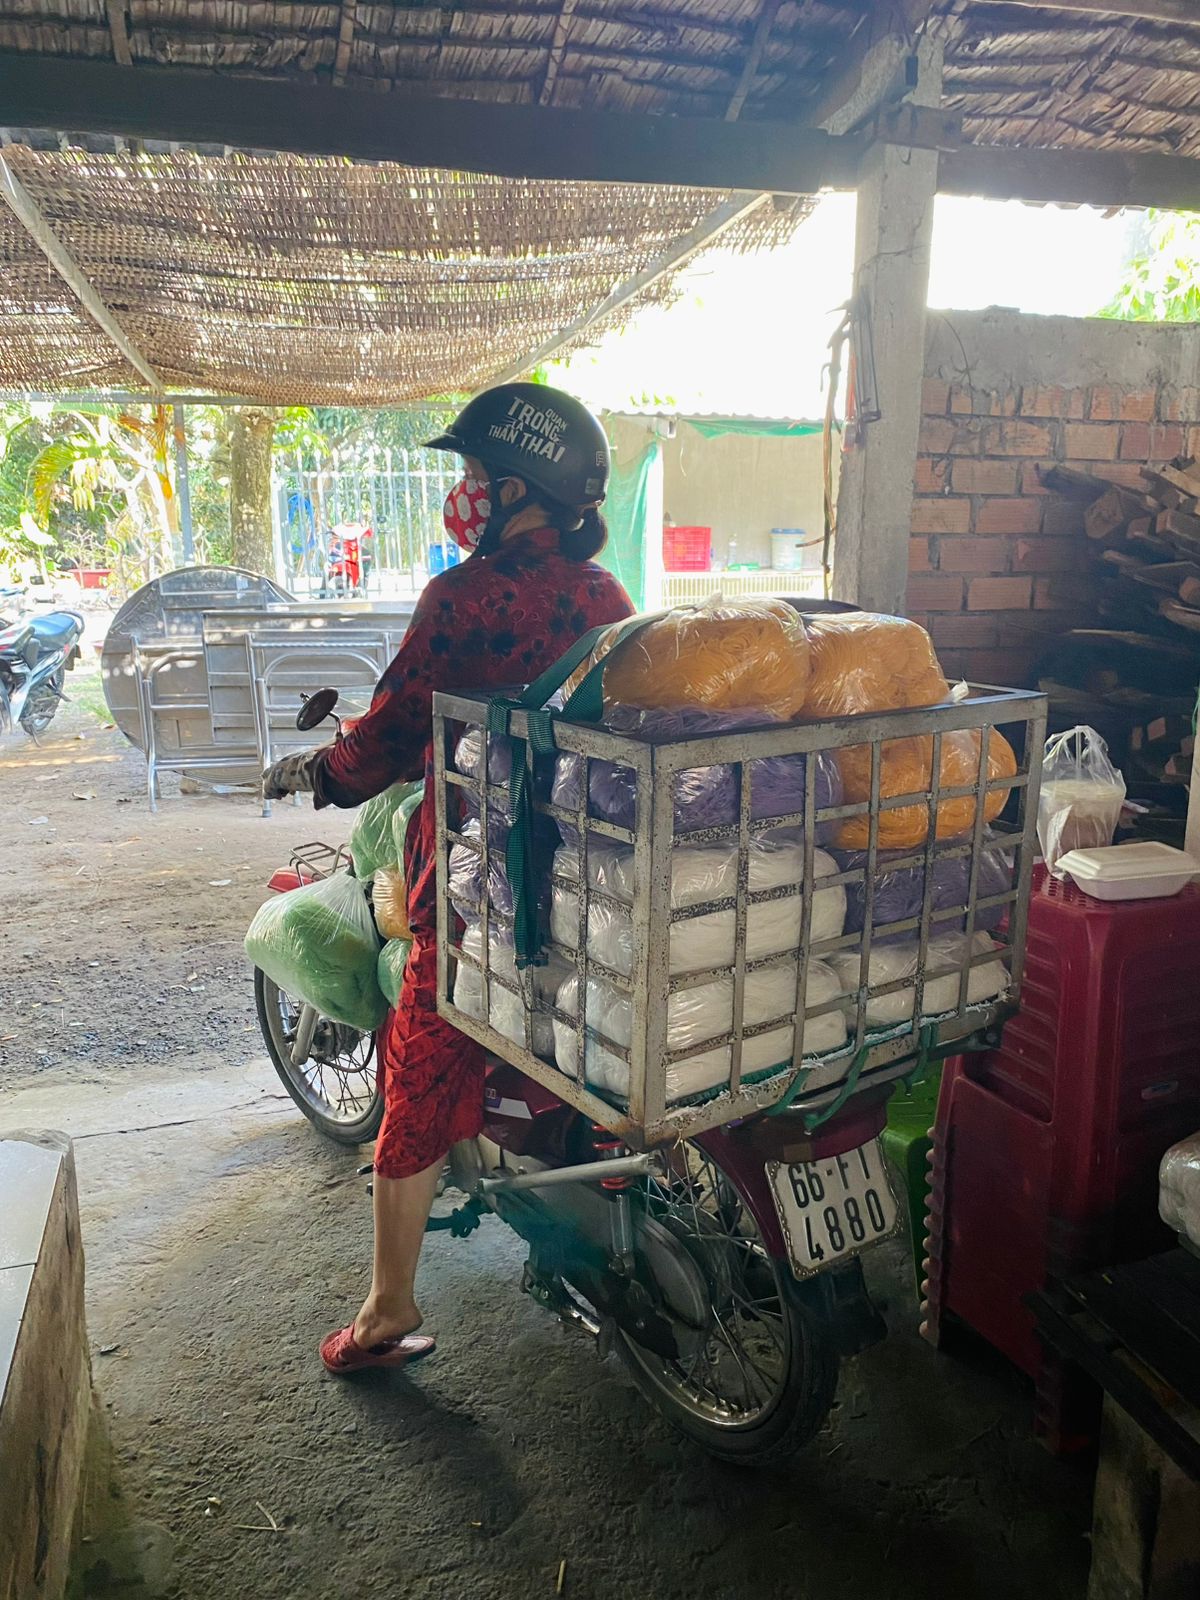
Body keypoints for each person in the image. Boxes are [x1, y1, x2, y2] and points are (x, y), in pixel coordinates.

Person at [262, 383, 634, 1374]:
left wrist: (326, 774)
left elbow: (389, 732)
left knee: (416, 1066)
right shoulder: (605, 599)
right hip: (594, 875)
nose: (462, 494)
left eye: (474, 477)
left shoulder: (461, 599)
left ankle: (387, 1307)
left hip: (479, 881)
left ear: (518, 491)